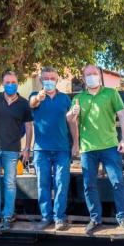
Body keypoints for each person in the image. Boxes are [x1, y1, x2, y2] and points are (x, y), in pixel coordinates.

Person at [66, 64, 124, 235]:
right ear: (83, 78)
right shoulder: (78, 98)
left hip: (110, 146)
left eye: (94, 74)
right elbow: (71, 121)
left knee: (117, 182)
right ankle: (95, 218)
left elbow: (123, 116)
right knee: (89, 185)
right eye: (87, 75)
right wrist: (72, 120)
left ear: (100, 75)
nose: (91, 77)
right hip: (88, 149)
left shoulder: (111, 93)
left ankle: (122, 218)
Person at [0, 71, 33, 230]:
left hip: (12, 150)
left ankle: (8, 216)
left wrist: (27, 148)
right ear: (2, 84)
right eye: (7, 82)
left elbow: (29, 126)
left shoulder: (24, 104)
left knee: (10, 184)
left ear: (18, 84)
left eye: (13, 82)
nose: (11, 85)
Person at [29, 67, 72, 231]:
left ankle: (59, 218)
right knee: (43, 184)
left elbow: (72, 122)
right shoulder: (35, 96)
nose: (49, 80)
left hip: (62, 149)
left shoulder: (65, 99)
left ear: (57, 80)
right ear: (41, 81)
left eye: (52, 78)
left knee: (61, 184)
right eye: (45, 78)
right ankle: (46, 217)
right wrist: (38, 98)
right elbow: (32, 104)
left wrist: (75, 144)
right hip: (41, 150)